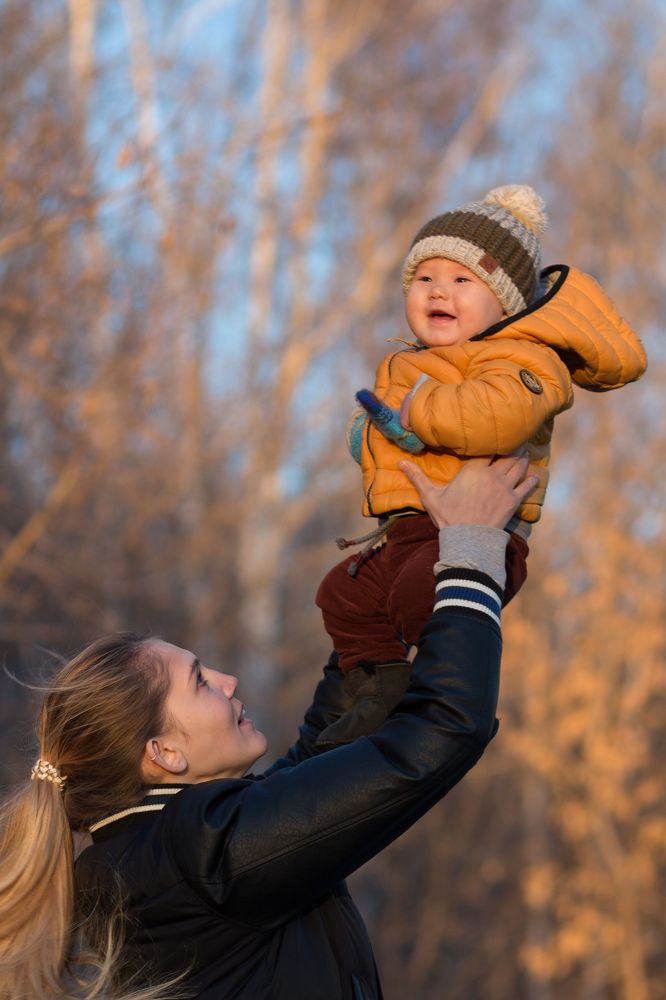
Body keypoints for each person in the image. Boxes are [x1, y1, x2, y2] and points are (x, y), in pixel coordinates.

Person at [0, 455, 536, 1000]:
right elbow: (440, 734)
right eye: (201, 682)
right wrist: (471, 552)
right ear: (164, 752)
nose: (229, 681)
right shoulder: (198, 852)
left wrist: (364, 639)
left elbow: (316, 773)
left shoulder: (151, 857)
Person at [315, 184, 647, 745]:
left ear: (505, 303)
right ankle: (380, 686)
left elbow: (496, 419)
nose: (438, 291)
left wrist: (414, 409)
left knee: (420, 595)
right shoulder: (414, 361)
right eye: (424, 279)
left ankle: (444, 693)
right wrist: (368, 435)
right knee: (340, 595)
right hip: (404, 530)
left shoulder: (525, 358)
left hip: (477, 537)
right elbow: (404, 438)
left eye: (462, 281)